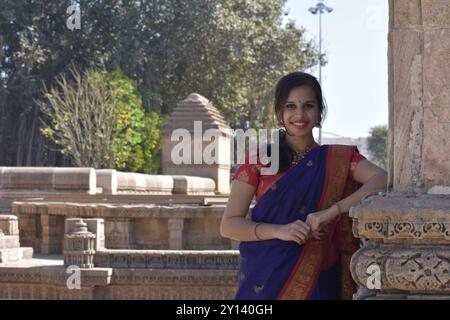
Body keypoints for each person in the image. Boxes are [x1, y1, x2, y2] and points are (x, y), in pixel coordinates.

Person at [220, 71, 387, 300]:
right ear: (279, 113)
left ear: (320, 112)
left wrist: (332, 211)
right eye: (290, 106)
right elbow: (229, 225)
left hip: (321, 276)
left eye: (308, 105)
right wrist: (280, 231)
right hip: (265, 277)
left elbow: (381, 179)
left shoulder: (337, 159)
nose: (299, 114)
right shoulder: (258, 161)